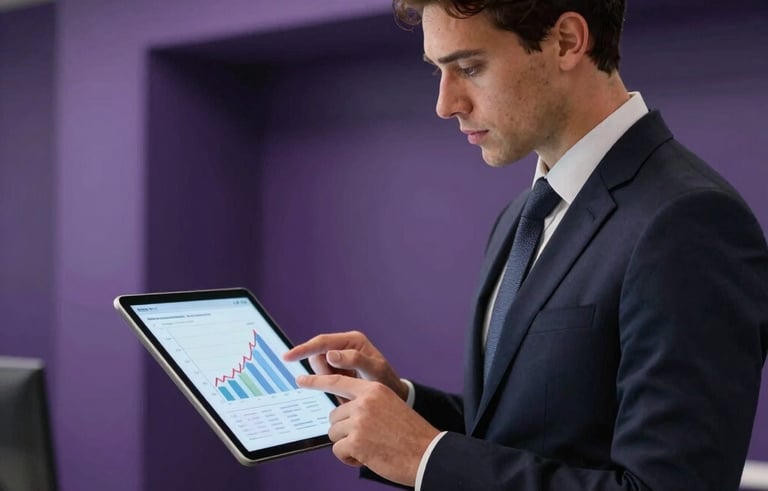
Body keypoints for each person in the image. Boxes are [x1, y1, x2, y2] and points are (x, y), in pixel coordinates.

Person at [283, 1, 768, 489]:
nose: (446, 103)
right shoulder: (522, 216)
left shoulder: (690, 221)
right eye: (439, 71)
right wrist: (402, 404)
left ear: (566, 42)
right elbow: (520, 436)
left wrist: (425, 457)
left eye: (469, 67)